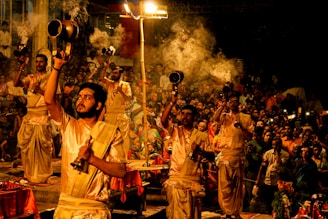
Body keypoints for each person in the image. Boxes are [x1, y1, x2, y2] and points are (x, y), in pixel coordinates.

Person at [44, 52, 127, 219]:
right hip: (66, 208)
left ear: (98, 105)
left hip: (93, 210)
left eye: (87, 97)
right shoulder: (69, 125)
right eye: (79, 97)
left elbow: (120, 171)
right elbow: (49, 100)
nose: (80, 101)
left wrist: (92, 159)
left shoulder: (111, 133)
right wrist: (57, 67)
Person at [161, 93, 211, 219]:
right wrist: (172, 102)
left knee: (192, 215)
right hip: (176, 178)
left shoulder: (201, 136)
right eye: (182, 114)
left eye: (188, 114)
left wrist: (199, 150)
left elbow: (211, 157)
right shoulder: (175, 131)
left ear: (194, 117)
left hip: (192, 180)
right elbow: (163, 120)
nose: (185, 117)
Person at [13, 53, 59, 183]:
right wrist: (21, 67)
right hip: (29, 116)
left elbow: (55, 98)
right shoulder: (31, 77)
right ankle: (29, 174)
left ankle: (43, 175)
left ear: (46, 63)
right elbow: (16, 83)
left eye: (41, 62)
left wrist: (39, 90)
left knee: (43, 149)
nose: (38, 64)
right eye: (37, 62)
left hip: (43, 116)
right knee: (27, 148)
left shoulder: (51, 78)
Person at [212, 92, 254, 219]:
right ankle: (227, 212)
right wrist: (222, 105)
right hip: (225, 156)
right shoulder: (224, 116)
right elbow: (214, 119)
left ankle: (235, 212)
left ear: (239, 104)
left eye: (236, 101)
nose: (233, 103)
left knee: (237, 187)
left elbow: (249, 137)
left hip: (238, 155)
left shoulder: (246, 117)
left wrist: (240, 125)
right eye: (231, 101)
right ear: (228, 103)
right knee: (225, 186)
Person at [100, 62, 132, 158]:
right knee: (108, 136)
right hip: (109, 114)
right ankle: (107, 156)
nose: (113, 75)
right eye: (113, 73)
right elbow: (102, 78)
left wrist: (121, 91)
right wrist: (105, 67)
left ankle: (124, 156)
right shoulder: (110, 83)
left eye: (115, 73)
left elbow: (129, 98)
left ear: (120, 74)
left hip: (120, 113)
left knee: (124, 136)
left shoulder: (125, 85)